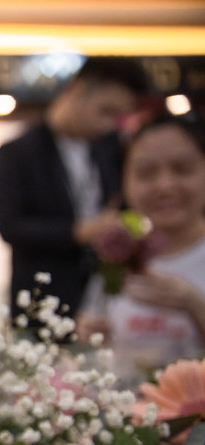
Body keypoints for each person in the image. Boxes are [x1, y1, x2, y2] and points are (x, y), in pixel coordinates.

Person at [0, 56, 150, 320]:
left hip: (105, 300)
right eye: (106, 111)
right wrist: (81, 232)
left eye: (118, 117)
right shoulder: (20, 152)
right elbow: (11, 227)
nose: (109, 124)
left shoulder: (112, 149)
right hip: (42, 301)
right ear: (77, 90)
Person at [78, 112, 205, 384]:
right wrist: (90, 334)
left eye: (182, 169)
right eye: (146, 173)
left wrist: (196, 306)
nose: (165, 185)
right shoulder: (118, 255)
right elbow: (97, 340)